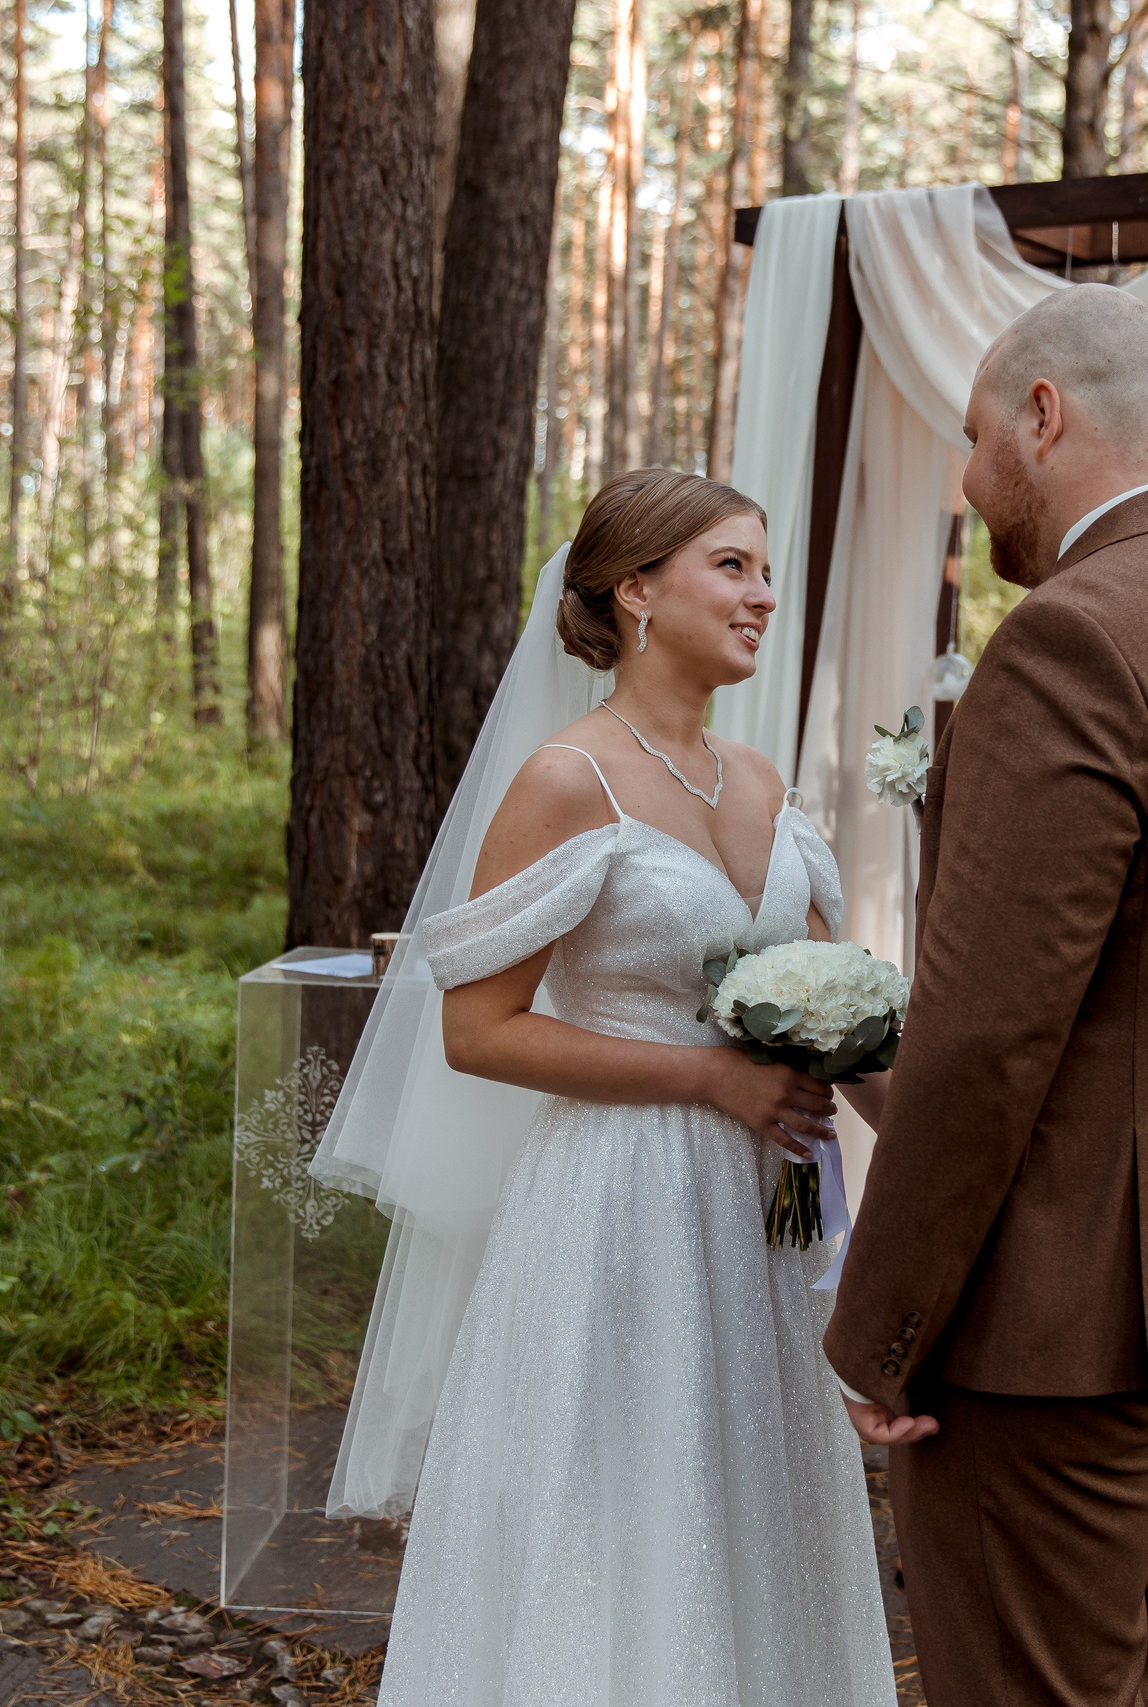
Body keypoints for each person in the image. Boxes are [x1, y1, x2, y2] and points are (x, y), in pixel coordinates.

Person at [826, 283, 1148, 1705]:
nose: (967, 478)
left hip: (1059, 1320)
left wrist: (886, 1323)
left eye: (976, 435)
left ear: (1045, 417)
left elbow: (989, 1034)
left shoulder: (1074, 638)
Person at [343, 469, 895, 1707]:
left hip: (772, 1206)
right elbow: (479, 1033)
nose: (764, 594)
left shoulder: (764, 785)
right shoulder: (565, 779)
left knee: (759, 1498)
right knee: (623, 1500)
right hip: (618, 1203)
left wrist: (948, 1148)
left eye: (765, 568)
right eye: (733, 566)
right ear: (637, 590)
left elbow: (839, 1019)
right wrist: (707, 1079)